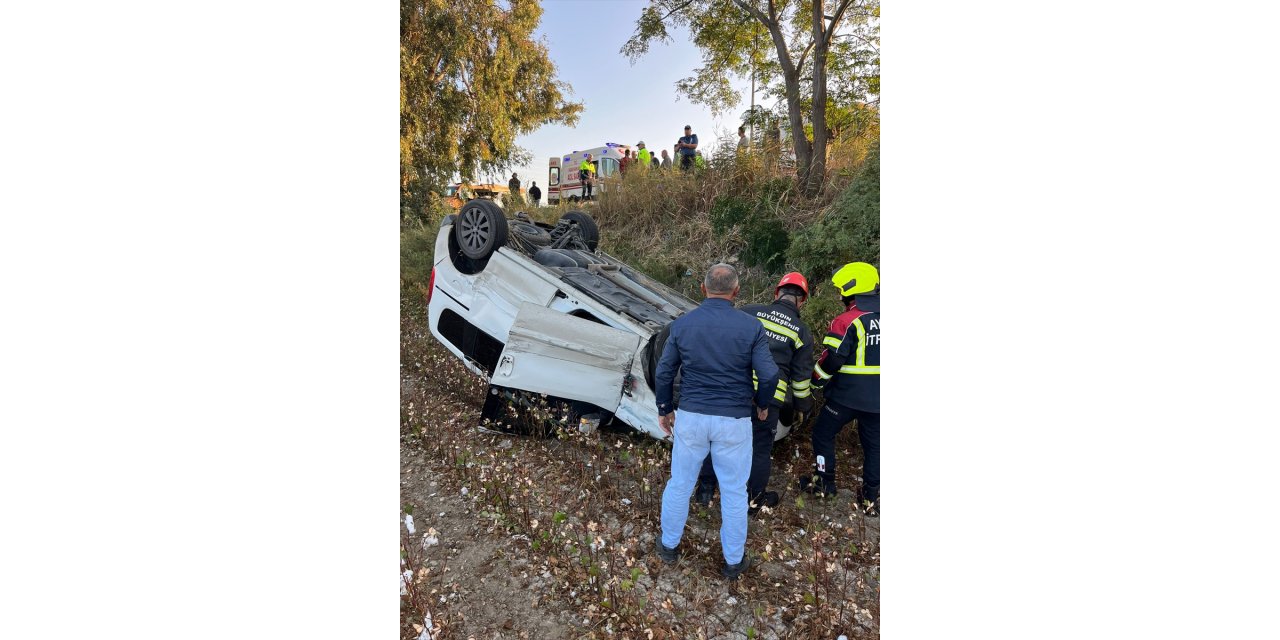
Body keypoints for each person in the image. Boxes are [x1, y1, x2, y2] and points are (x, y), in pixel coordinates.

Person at [654, 263, 779, 581]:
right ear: (737, 292)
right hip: (734, 420)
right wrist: (763, 405)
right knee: (735, 491)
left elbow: (665, 371)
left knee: (680, 483)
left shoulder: (683, 325)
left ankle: (668, 547)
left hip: (693, 417)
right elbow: (769, 373)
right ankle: (733, 563)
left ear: (702, 288)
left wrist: (665, 408)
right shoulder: (751, 327)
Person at [694, 272, 815, 515]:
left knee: (717, 439)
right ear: (802, 301)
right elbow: (801, 380)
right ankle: (753, 501)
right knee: (759, 451)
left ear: (776, 293)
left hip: (734, 390)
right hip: (769, 401)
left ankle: (705, 491)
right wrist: (804, 408)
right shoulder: (802, 332)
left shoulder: (749, 312)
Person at [802, 262, 881, 516]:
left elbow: (832, 359)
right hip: (879, 400)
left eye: (841, 290)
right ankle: (871, 498)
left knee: (823, 434)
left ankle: (824, 483)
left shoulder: (847, 320)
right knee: (875, 447)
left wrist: (815, 381)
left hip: (846, 396)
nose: (839, 296)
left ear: (851, 289)